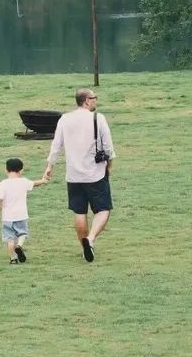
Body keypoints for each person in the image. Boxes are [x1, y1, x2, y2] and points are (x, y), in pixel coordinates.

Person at [44, 88, 115, 262]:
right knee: (103, 209)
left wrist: (49, 166)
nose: (95, 100)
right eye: (94, 98)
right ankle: (90, 240)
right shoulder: (98, 118)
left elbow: (56, 145)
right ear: (87, 101)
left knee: (79, 211)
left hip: (73, 175)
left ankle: (85, 250)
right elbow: (108, 147)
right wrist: (110, 165)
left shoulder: (64, 119)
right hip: (95, 173)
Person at [0, 158, 50, 264]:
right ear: (21, 170)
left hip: (7, 217)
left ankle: (13, 258)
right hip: (21, 215)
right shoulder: (23, 181)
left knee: (10, 239)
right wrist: (43, 180)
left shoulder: (3, 184)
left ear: (6, 170)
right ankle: (19, 245)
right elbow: (35, 183)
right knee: (22, 233)